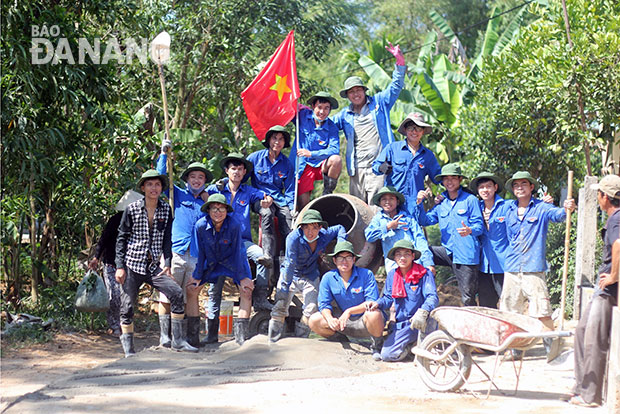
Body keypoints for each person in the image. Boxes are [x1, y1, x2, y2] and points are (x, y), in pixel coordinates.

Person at [115, 170, 197, 357]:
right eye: (150, 184)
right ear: (143, 188)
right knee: (126, 306)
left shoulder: (165, 209)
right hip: (132, 265)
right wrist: (120, 266)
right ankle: (129, 350)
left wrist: (167, 262)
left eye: (157, 184)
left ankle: (177, 341)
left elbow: (168, 238)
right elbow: (121, 238)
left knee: (176, 293)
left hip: (154, 267)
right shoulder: (132, 209)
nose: (154, 188)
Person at [499, 171, 575, 358]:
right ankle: (514, 349)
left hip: (534, 269)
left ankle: (553, 351)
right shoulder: (508, 209)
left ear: (532, 187)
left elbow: (559, 215)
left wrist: (567, 208)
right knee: (510, 311)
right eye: (516, 185)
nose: (520, 187)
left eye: (524, 184)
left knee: (542, 310)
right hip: (511, 268)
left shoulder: (541, 208)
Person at [332, 42, 407, 206]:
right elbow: (325, 124)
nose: (355, 94)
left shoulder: (379, 103)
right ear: (347, 96)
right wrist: (304, 113)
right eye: (351, 91)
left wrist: (400, 61)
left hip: (378, 169)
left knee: (376, 208)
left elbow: (396, 87)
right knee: (359, 210)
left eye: (358, 90)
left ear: (364, 91)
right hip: (356, 170)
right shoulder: (344, 115)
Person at [570, 174, 620, 408]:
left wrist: (613, 275)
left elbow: (619, 243)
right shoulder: (613, 218)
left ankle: (590, 395)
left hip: (608, 290)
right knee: (581, 332)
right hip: (604, 290)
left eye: (599, 194)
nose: (598, 198)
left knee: (593, 341)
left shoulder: (616, 219)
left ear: (605, 197)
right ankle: (581, 388)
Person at [156, 146, 213, 348]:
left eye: (200, 177)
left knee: (191, 293)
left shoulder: (208, 201)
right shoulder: (177, 194)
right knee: (168, 293)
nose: (196, 180)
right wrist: (164, 154)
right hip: (176, 252)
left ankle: (191, 338)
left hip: (197, 255)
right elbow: (160, 179)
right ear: (187, 179)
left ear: (205, 181)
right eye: (193, 177)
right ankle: (165, 336)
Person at [207, 152, 273, 312]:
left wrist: (268, 199)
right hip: (218, 243)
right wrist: (217, 186)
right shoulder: (217, 189)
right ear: (227, 171)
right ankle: (212, 327)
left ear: (244, 172)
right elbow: (202, 194)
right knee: (215, 288)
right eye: (233, 168)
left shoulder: (248, 191)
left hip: (242, 242)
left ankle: (260, 297)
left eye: (240, 169)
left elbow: (264, 195)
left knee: (261, 256)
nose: (236, 172)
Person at [268, 209, 347, 342]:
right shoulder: (293, 238)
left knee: (311, 309)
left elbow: (340, 228)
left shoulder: (324, 235)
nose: (310, 232)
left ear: (320, 227)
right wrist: (284, 288)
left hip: (310, 275)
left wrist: (341, 245)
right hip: (291, 274)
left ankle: (301, 340)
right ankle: (273, 338)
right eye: (307, 228)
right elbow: (290, 264)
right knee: (280, 305)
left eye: (314, 228)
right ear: (302, 227)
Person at [186, 193, 254, 345]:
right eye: (214, 208)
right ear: (208, 210)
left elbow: (237, 251)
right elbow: (200, 253)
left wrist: (243, 277)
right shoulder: (200, 226)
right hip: (210, 262)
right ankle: (193, 338)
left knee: (246, 290)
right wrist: (197, 275)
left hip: (233, 261)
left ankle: (241, 338)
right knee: (191, 289)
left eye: (222, 208)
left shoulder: (234, 225)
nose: (218, 212)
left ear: (227, 211)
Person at [416, 163, 484, 306]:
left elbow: (479, 226)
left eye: (453, 178)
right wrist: (419, 203)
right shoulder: (442, 203)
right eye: (446, 178)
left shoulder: (470, 200)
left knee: (467, 296)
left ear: (460, 179)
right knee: (421, 252)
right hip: (448, 252)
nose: (449, 181)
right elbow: (425, 220)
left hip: (466, 255)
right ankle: (423, 293)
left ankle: (469, 322)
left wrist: (470, 230)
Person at [309, 241, 385, 359]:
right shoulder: (328, 278)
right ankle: (341, 340)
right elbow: (324, 304)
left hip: (365, 321)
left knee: (374, 314)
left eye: (348, 257)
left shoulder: (366, 274)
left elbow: (372, 303)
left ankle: (377, 345)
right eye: (340, 258)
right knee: (314, 320)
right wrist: (330, 319)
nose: (344, 261)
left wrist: (349, 311)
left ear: (354, 259)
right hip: (343, 323)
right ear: (334, 260)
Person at [367, 239, 438, 362]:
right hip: (403, 325)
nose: (402, 257)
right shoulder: (392, 275)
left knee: (433, 355)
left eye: (407, 254)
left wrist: (423, 311)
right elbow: (388, 298)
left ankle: (422, 345)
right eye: (398, 254)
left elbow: (432, 297)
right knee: (387, 355)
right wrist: (377, 303)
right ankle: (411, 348)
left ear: (413, 256)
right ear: (394, 258)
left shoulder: (424, 273)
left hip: (421, 322)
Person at [372, 112, 441, 216]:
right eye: (410, 128)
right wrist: (382, 167)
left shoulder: (428, 155)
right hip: (392, 204)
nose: (414, 132)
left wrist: (456, 188)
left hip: (414, 205)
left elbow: (438, 178)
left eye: (418, 128)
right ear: (405, 130)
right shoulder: (392, 149)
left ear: (423, 132)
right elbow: (375, 166)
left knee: (413, 231)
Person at [247, 125, 295, 267]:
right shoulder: (255, 158)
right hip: (259, 199)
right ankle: (267, 254)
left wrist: (292, 208)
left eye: (281, 139)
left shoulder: (287, 164)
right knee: (267, 213)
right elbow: (240, 177)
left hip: (279, 200)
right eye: (274, 138)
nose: (277, 142)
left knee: (288, 220)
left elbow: (290, 188)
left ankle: (288, 257)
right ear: (269, 140)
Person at [364, 186, 434, 275]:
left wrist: (428, 263)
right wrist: (387, 227)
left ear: (397, 202)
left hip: (414, 264)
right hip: (393, 266)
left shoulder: (408, 218)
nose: (387, 202)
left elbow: (420, 240)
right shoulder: (378, 219)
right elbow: (369, 236)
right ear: (380, 203)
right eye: (384, 199)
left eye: (391, 199)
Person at [290, 92, 342, 209]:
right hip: (304, 165)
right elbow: (287, 110)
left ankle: (327, 191)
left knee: (336, 160)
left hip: (321, 165)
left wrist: (311, 153)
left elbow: (335, 149)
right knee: (303, 203)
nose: (322, 112)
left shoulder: (332, 127)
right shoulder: (302, 116)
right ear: (313, 106)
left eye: (326, 108)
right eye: (319, 107)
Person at [469, 172, 507, 309]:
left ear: (495, 187)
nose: (485, 190)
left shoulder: (507, 206)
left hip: (503, 264)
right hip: (483, 264)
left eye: (489, 186)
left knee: (508, 303)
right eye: (482, 187)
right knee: (486, 304)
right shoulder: (475, 207)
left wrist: (544, 202)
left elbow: (524, 209)